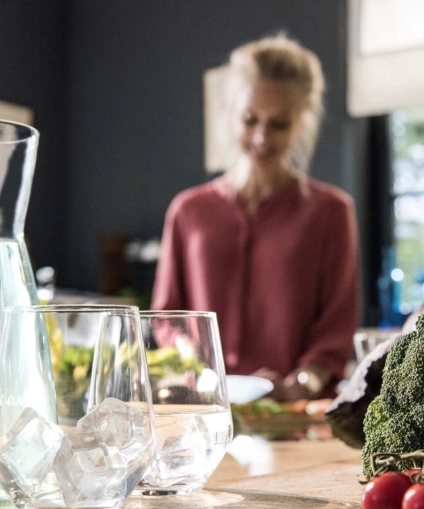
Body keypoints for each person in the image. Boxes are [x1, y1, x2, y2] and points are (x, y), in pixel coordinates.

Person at [152, 35, 360, 401]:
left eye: (279, 124)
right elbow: (167, 315)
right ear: (230, 113)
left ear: (301, 122)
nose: (262, 137)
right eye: (250, 119)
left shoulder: (331, 212)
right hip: (205, 408)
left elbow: (336, 327)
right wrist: (195, 361)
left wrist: (301, 384)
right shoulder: (188, 211)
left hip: (297, 416)